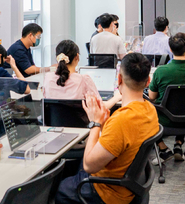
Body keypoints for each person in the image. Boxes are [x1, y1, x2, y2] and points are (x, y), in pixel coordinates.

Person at [55, 53, 159, 204]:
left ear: (119, 79)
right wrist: (105, 123)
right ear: (148, 81)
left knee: (60, 187)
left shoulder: (121, 121)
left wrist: (95, 123)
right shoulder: (150, 110)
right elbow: (121, 141)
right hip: (130, 183)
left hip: (108, 191)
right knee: (72, 167)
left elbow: (89, 165)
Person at [148, 33, 185, 163]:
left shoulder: (161, 71)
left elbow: (151, 97)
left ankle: (163, 150)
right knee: (183, 104)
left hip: (166, 120)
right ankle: (178, 144)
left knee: (145, 113)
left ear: (170, 49)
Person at [43, 40, 120, 109]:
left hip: (53, 124)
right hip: (80, 124)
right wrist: (117, 97)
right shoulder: (83, 79)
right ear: (77, 57)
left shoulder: (48, 78)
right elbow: (102, 107)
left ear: (57, 58)